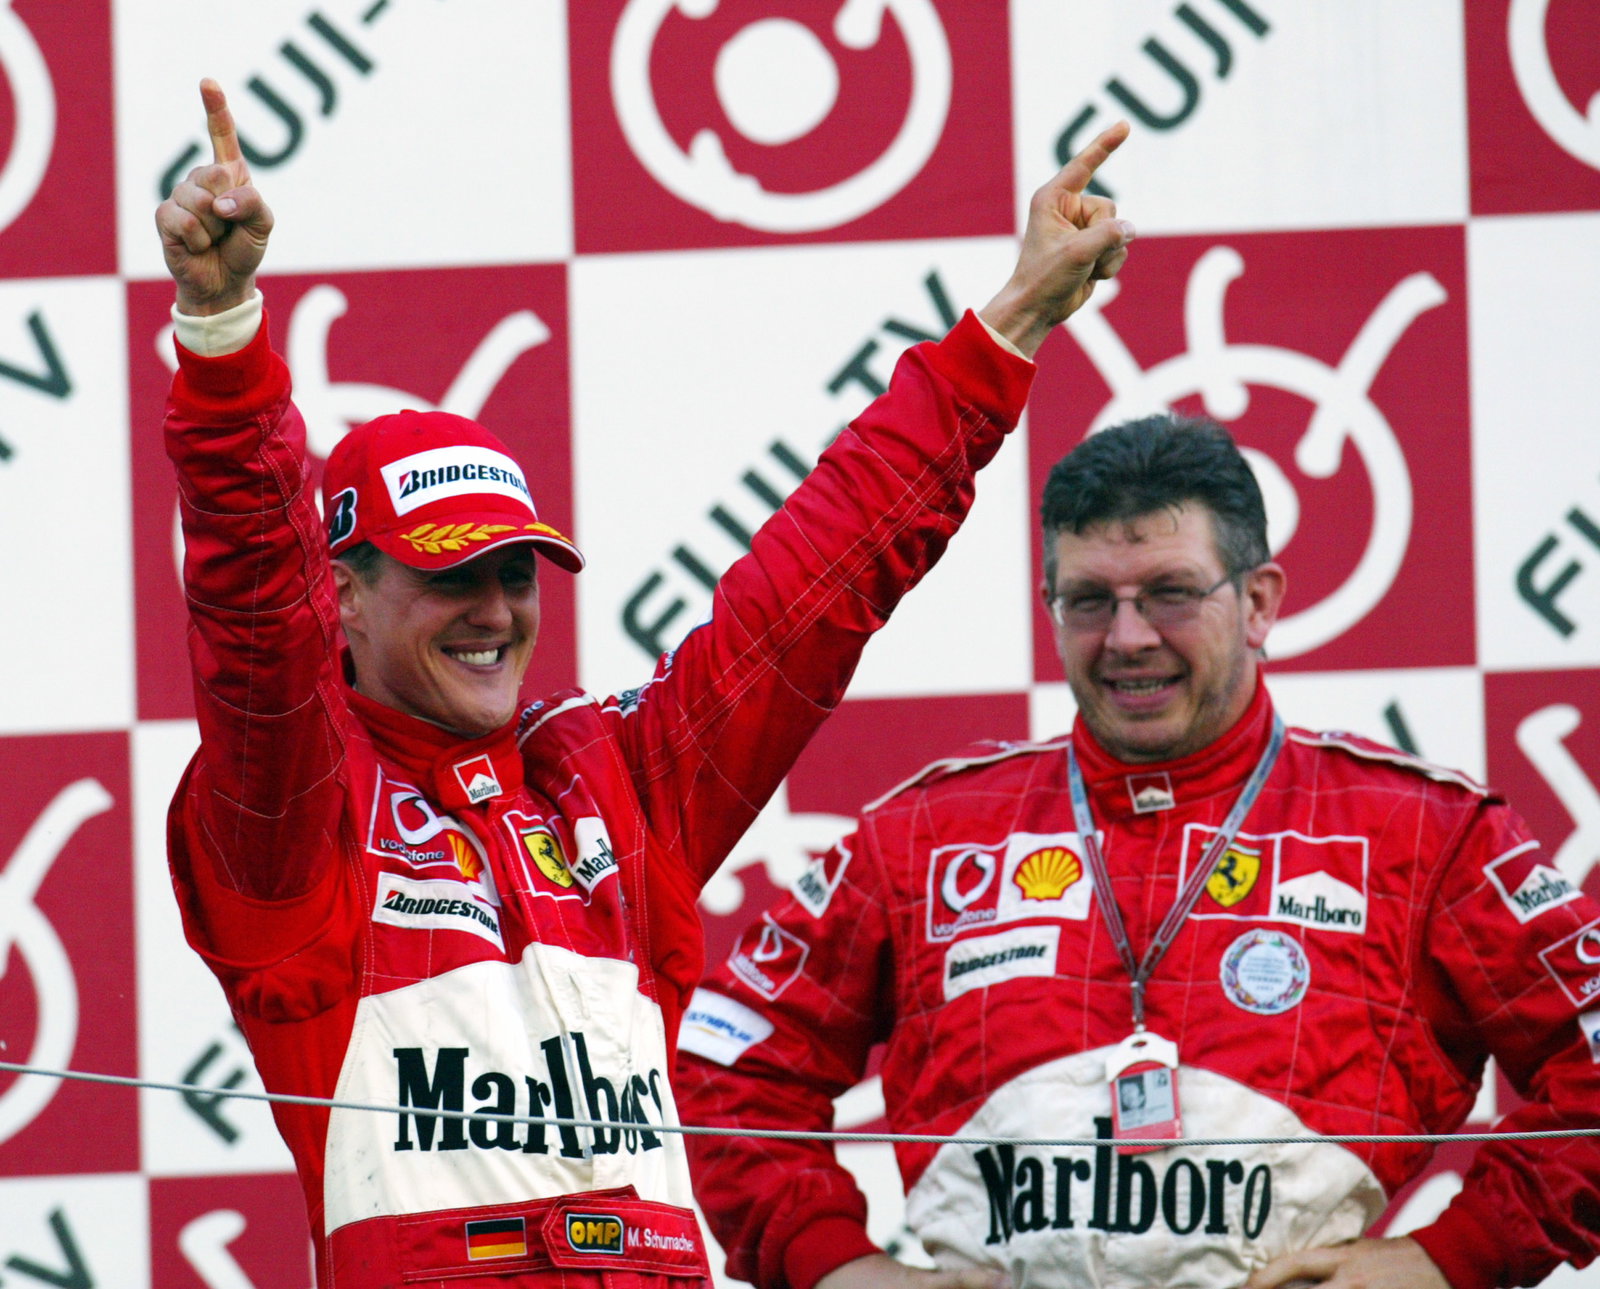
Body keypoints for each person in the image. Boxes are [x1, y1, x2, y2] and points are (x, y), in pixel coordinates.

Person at [153, 75, 1134, 1288]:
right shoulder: (293, 826)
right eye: (452, 575)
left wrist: (1010, 329)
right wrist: (222, 331)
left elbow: (813, 587)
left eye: (520, 572)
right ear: (343, 595)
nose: (498, 611)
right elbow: (253, 614)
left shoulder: (611, 777)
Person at [675, 415, 1600, 1289]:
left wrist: (1453, 1256)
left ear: (1261, 601)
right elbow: (727, 1059)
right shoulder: (927, 834)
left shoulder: (1420, 831)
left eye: (1170, 592)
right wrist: (832, 1262)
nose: (1128, 638)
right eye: (1090, 601)